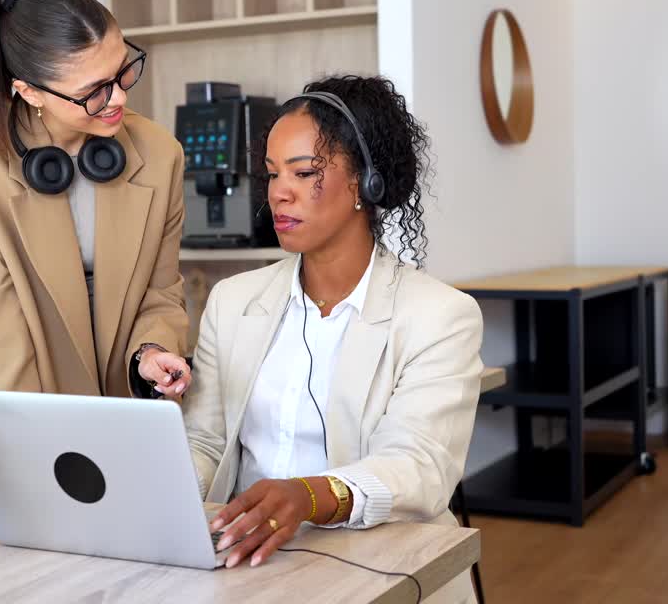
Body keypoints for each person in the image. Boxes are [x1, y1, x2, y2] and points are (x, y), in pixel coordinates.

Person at [180, 75, 484, 602]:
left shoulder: (441, 316)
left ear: (366, 184)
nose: (279, 191)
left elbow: (419, 466)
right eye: (273, 174)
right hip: (249, 559)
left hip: (383, 564)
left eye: (305, 172)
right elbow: (205, 441)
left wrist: (309, 496)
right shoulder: (232, 302)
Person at [0, 0, 193, 409]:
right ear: (29, 90)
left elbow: (161, 290)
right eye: (93, 91)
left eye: (123, 71)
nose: (118, 97)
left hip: (132, 407)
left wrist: (151, 351)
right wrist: (38, 432)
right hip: (32, 407)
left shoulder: (159, 153)